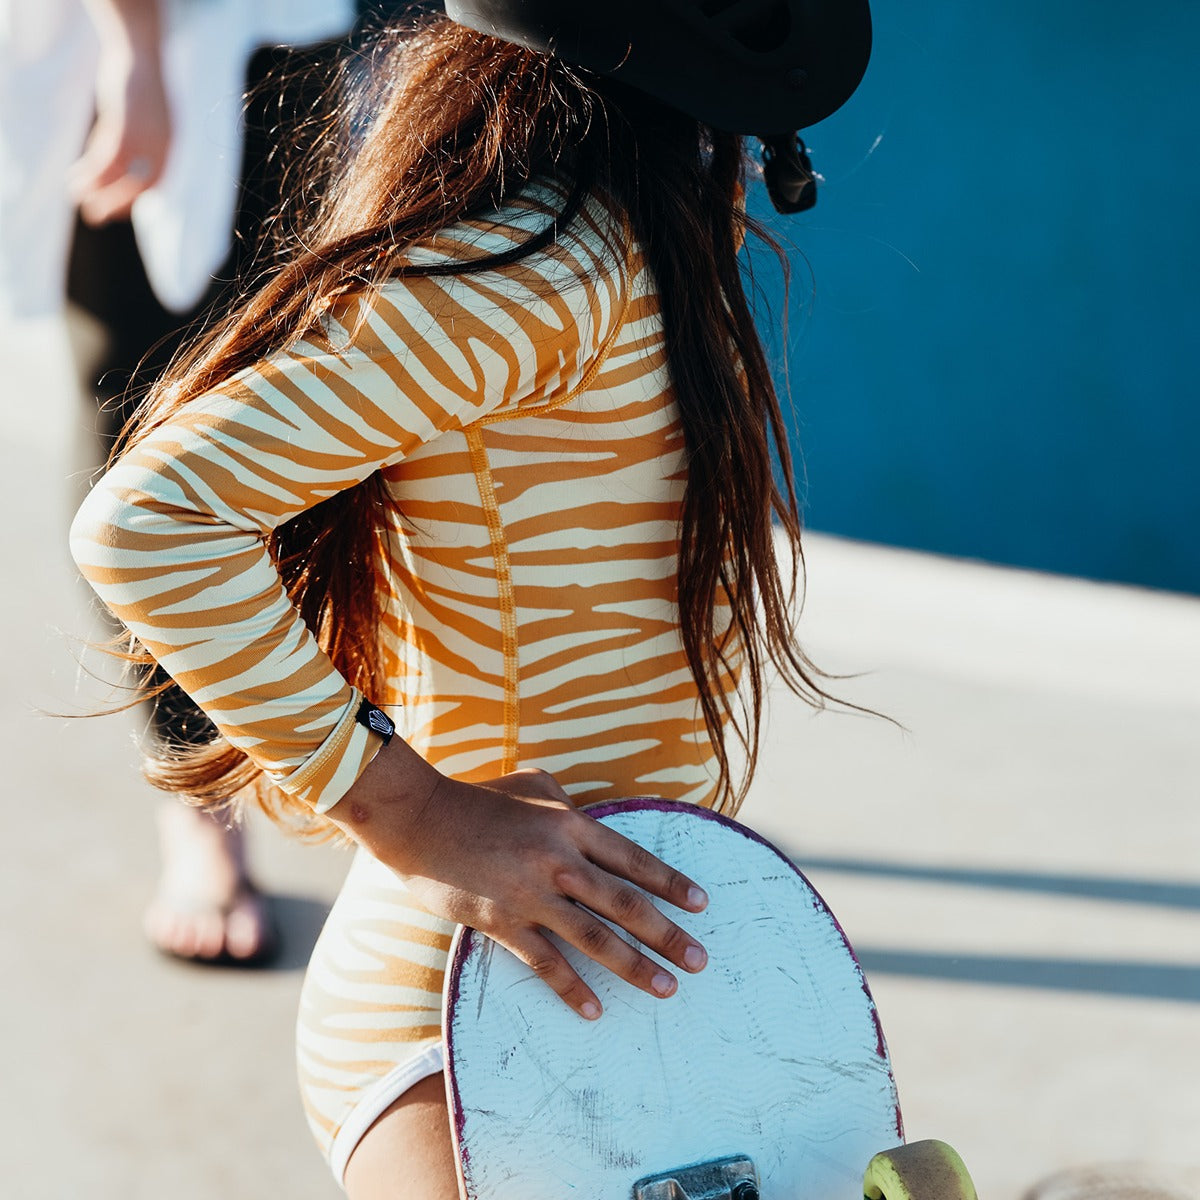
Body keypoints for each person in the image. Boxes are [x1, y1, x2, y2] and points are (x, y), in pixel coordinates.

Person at [69, 1, 872, 1195]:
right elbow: (150, 520)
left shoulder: (616, 237)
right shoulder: (549, 271)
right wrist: (412, 814)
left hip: (591, 987)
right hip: (471, 1015)